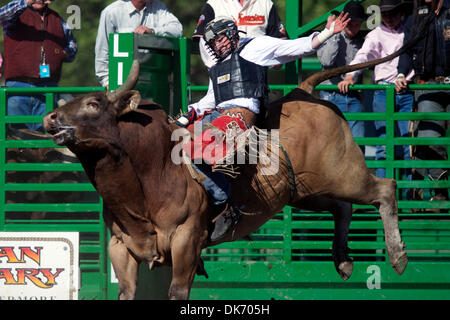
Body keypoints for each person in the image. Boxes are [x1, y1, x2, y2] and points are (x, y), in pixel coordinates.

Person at [178, 14, 350, 241]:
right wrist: (189, 114)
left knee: (199, 147)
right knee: (178, 142)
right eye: (213, 43)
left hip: (242, 113)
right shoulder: (217, 66)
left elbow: (298, 47)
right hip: (219, 112)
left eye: (220, 39)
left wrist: (328, 32)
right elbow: (211, 99)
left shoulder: (256, 46)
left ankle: (224, 200)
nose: (217, 45)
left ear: (231, 34)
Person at [338, 0, 415, 181]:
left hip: (407, 92)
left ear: (401, 13)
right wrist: (350, 75)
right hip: (383, 92)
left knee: (408, 145)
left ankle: (411, 195)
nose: (388, 18)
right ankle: (384, 195)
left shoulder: (410, 31)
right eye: (385, 14)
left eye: (393, 13)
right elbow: (364, 55)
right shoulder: (376, 35)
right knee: (384, 146)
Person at [395, 0, 450, 202]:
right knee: (429, 136)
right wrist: (401, 74)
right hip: (429, 84)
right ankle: (440, 191)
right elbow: (407, 50)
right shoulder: (415, 18)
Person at [0, 0, 78, 132]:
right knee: (16, 136)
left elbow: (72, 46)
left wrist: (61, 53)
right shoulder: (16, 14)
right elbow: (2, 15)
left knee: (45, 136)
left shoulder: (57, 19)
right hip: (18, 87)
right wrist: (27, 2)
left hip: (48, 87)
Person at [317, 0, 368, 154]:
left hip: (353, 97)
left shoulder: (363, 42)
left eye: (357, 23)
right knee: (330, 147)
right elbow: (326, 61)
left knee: (358, 146)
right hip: (330, 96)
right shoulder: (327, 35)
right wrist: (335, 33)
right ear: (343, 20)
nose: (353, 26)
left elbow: (368, 61)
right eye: (350, 22)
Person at [95, 0, 183, 89]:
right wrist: (107, 82)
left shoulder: (159, 7)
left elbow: (177, 29)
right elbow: (102, 51)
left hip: (152, 84)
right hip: (122, 86)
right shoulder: (111, 12)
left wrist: (152, 31)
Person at [192, 0, 288, 69]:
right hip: (223, 71)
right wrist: (213, 66)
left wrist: (278, 58)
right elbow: (202, 40)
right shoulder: (214, 3)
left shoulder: (265, 3)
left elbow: (279, 38)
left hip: (258, 73)